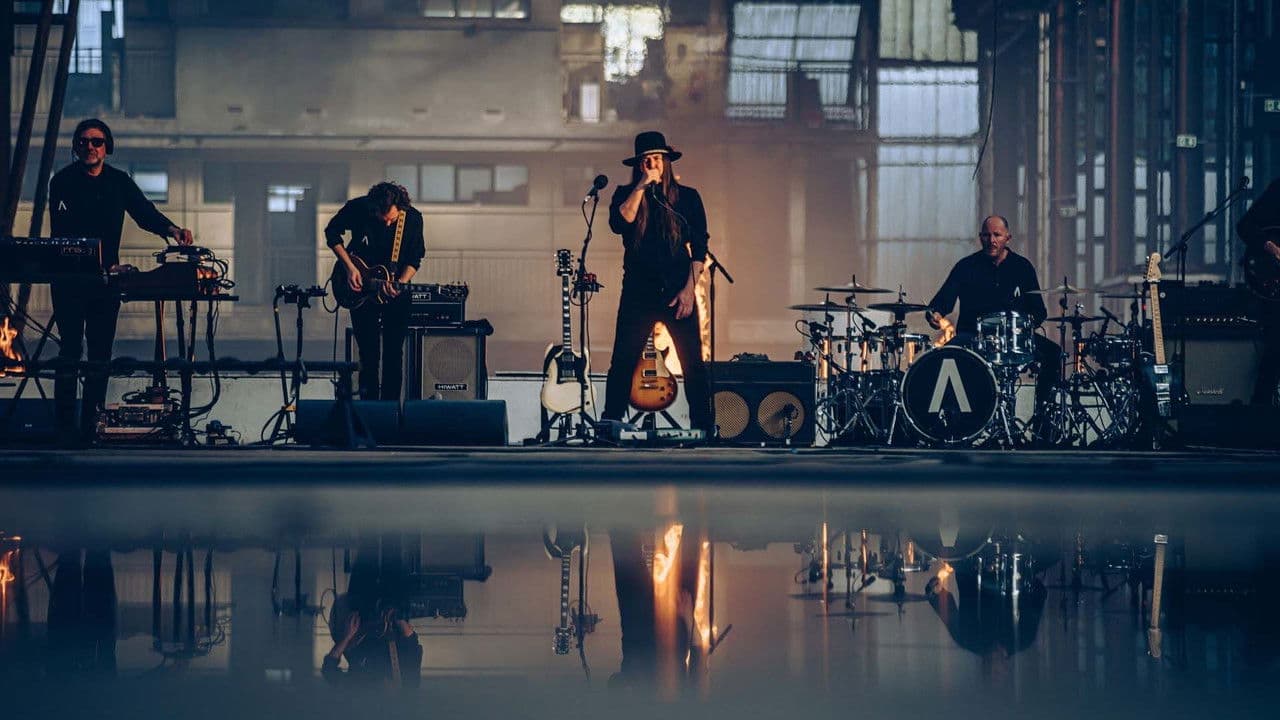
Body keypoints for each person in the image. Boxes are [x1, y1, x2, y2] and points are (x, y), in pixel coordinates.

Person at [48, 118, 194, 439]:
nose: (90, 147)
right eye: (84, 141)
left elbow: (144, 212)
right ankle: (63, 428)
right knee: (69, 351)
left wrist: (172, 230)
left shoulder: (118, 182)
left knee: (100, 354)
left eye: (97, 142)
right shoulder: (62, 182)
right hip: (70, 281)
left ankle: (90, 427)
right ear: (76, 147)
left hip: (106, 283)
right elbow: (64, 233)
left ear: (107, 147)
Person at [603, 131, 712, 434]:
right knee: (623, 360)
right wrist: (641, 186)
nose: (652, 164)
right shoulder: (625, 194)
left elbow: (699, 248)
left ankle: (703, 426)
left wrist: (689, 290)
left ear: (666, 162)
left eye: (656, 158)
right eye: (646, 160)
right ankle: (611, 423)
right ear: (639, 165)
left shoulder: (687, 198)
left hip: (678, 291)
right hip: (638, 293)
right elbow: (620, 223)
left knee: (693, 363)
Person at [925, 215, 1060, 428]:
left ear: (1008, 237)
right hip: (973, 335)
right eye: (986, 235)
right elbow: (941, 302)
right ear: (980, 237)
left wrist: (1022, 326)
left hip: (1013, 336)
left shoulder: (1022, 267)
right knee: (946, 356)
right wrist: (935, 315)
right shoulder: (966, 266)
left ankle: (1043, 424)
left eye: (997, 235)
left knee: (1054, 354)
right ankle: (954, 425)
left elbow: (1039, 311)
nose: (992, 240)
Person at [325, 182, 425, 401]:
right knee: (368, 355)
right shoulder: (359, 208)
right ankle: (368, 411)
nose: (387, 223)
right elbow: (331, 233)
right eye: (383, 218)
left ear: (400, 208)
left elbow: (415, 258)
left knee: (393, 354)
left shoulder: (413, 218)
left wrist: (400, 282)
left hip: (396, 293)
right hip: (361, 292)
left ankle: (390, 411)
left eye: (392, 219)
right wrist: (350, 268)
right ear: (374, 209)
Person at [1237, 176, 1280, 406]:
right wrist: (1271, 247)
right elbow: (1244, 226)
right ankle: (1259, 413)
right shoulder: (1278, 189)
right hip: (1273, 287)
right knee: (1274, 354)